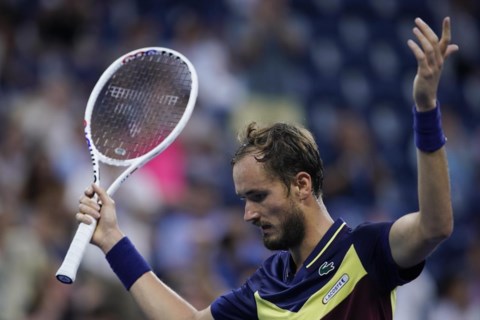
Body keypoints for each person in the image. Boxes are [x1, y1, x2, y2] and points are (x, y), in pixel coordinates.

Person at [75, 17, 457, 319]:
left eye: (258, 196)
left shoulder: (367, 249)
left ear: (302, 184)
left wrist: (425, 109)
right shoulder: (266, 285)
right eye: (243, 199)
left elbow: (435, 225)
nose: (248, 214)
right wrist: (112, 240)